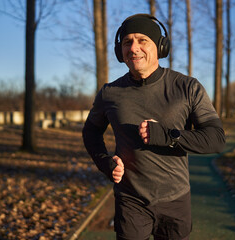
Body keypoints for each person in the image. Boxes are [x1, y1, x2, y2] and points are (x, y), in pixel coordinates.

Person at [82, 13, 225, 240]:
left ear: (160, 47)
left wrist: (170, 136)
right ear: (120, 51)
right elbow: (90, 131)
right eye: (127, 42)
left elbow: (216, 138)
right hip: (130, 200)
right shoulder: (110, 93)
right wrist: (104, 162)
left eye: (142, 40)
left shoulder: (187, 87)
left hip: (175, 199)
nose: (134, 48)